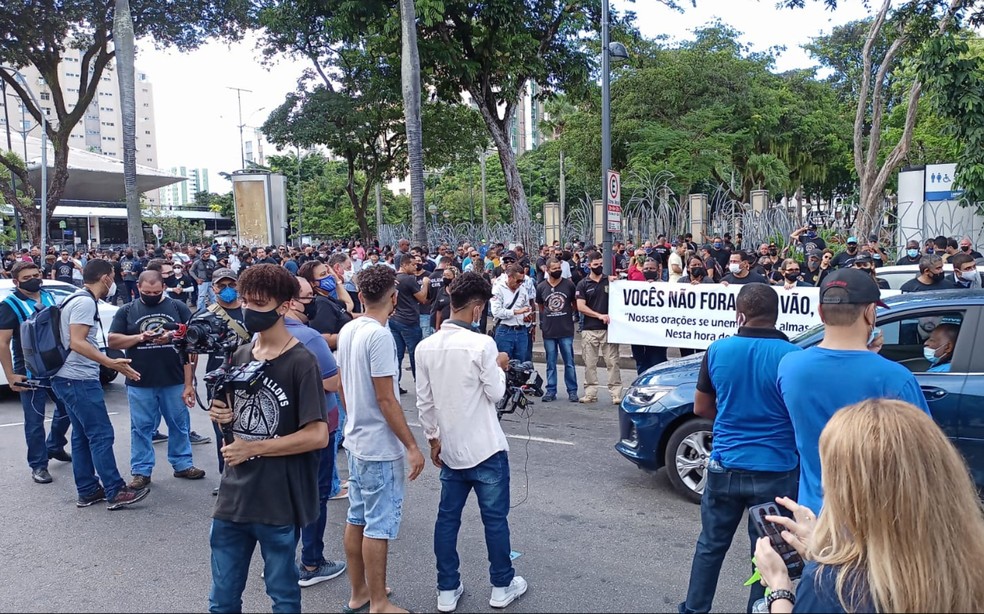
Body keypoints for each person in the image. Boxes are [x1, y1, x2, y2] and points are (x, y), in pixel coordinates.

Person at [755, 400, 984, 614]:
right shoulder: (970, 565)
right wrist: (822, 551)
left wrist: (779, 587)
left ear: (851, 495)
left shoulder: (834, 589)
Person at [206, 264, 329, 613]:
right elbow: (235, 424)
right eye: (245, 301)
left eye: (258, 303)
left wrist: (254, 448)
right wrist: (221, 415)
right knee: (221, 600)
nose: (248, 309)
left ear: (284, 306)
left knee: (283, 596)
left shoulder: (302, 361)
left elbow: (318, 435)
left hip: (278, 502)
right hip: (233, 497)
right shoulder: (241, 354)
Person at [679, 284, 800, 614]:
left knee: (710, 544)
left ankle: (694, 609)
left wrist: (732, 417)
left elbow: (702, 407)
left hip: (726, 466)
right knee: (768, 551)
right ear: (776, 316)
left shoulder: (718, 350)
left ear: (740, 315)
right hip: (776, 470)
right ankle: (761, 609)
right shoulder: (793, 357)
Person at [416, 272, 529, 613]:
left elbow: (425, 403)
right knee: (494, 520)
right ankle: (502, 585)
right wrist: (500, 365)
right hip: (485, 448)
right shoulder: (482, 344)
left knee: (447, 520)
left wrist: (433, 440)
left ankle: (447, 589)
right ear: (477, 309)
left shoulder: (425, 347)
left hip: (450, 448)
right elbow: (495, 393)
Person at [776, 268, 930, 514]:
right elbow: (923, 456)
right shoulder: (896, 377)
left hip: (814, 516)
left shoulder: (790, 366)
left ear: (821, 312)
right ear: (870, 313)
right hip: (875, 518)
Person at [336, 264, 424, 614]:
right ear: (394, 297)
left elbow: (342, 384)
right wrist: (412, 446)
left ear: (360, 295)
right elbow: (386, 398)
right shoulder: (379, 336)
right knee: (378, 524)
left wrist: (354, 416)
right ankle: (379, 602)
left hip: (356, 439)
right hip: (377, 446)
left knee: (357, 517)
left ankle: (360, 592)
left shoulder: (350, 329)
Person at [52, 258, 148, 510]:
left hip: (68, 377)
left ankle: (88, 490)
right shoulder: (84, 302)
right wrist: (110, 362)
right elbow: (77, 341)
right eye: (113, 277)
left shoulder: (74, 298)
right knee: (101, 434)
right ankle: (115, 490)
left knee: (82, 436)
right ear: (105, 277)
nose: (113, 282)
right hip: (78, 379)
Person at [108, 270, 204, 490]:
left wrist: (189, 382)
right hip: (140, 379)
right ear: (138, 288)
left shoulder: (177, 307)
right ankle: (141, 471)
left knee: (179, 424)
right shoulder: (127, 310)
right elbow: (113, 340)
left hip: (174, 378)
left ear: (164, 288)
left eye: (156, 292)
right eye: (147, 292)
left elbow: (194, 339)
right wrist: (140, 337)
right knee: (141, 427)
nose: (151, 295)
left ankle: (182, 464)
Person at [285, 275, 348, 588]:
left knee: (287, 497)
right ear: (291, 301)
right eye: (308, 296)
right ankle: (311, 562)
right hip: (316, 426)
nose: (312, 302)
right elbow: (332, 382)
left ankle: (281, 559)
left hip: (283, 430)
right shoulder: (309, 338)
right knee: (315, 497)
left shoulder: (262, 334)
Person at [0, 261, 73, 484]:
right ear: (16, 282)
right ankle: (39, 465)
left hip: (56, 366)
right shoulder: (9, 305)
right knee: (34, 420)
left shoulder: (49, 296)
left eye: (36, 274)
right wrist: (11, 375)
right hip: (29, 371)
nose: (34, 280)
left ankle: (55, 445)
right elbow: (2, 343)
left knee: (68, 408)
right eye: (27, 278)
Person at [575, 251, 622, 405]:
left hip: (609, 329)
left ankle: (616, 394)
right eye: (596, 264)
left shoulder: (610, 281)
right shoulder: (583, 284)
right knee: (589, 363)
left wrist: (617, 281)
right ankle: (590, 393)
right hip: (589, 329)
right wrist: (598, 315)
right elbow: (580, 306)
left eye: (601, 264)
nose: (599, 267)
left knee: (612, 362)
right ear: (589, 265)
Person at [536, 258, 579, 403]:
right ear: (547, 270)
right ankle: (551, 390)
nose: (557, 271)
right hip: (549, 331)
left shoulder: (569, 285)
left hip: (566, 330)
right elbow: (541, 307)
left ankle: (572, 391)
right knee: (550, 363)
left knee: (569, 362)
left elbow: (574, 304)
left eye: (559, 268)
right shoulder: (541, 287)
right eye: (554, 269)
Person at [392, 254, 430, 394]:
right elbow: (422, 298)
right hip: (409, 321)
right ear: (404, 265)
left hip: (395, 319)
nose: (416, 267)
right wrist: (425, 284)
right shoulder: (408, 279)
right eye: (413, 264)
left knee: (397, 355)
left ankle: (395, 385)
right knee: (415, 354)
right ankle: (420, 385)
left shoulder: (394, 278)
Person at [490, 264, 534, 362]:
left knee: (521, 364)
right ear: (510, 277)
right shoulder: (498, 289)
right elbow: (496, 312)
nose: (520, 283)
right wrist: (515, 312)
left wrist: (527, 316)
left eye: (522, 281)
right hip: (505, 330)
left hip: (521, 330)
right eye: (518, 281)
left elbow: (527, 307)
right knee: (503, 363)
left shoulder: (522, 290)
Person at [630, 259, 667, 374]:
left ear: (658, 270)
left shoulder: (667, 287)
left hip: (657, 334)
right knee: (640, 363)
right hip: (638, 333)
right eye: (646, 269)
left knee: (657, 363)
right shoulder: (634, 287)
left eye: (652, 268)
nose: (649, 271)